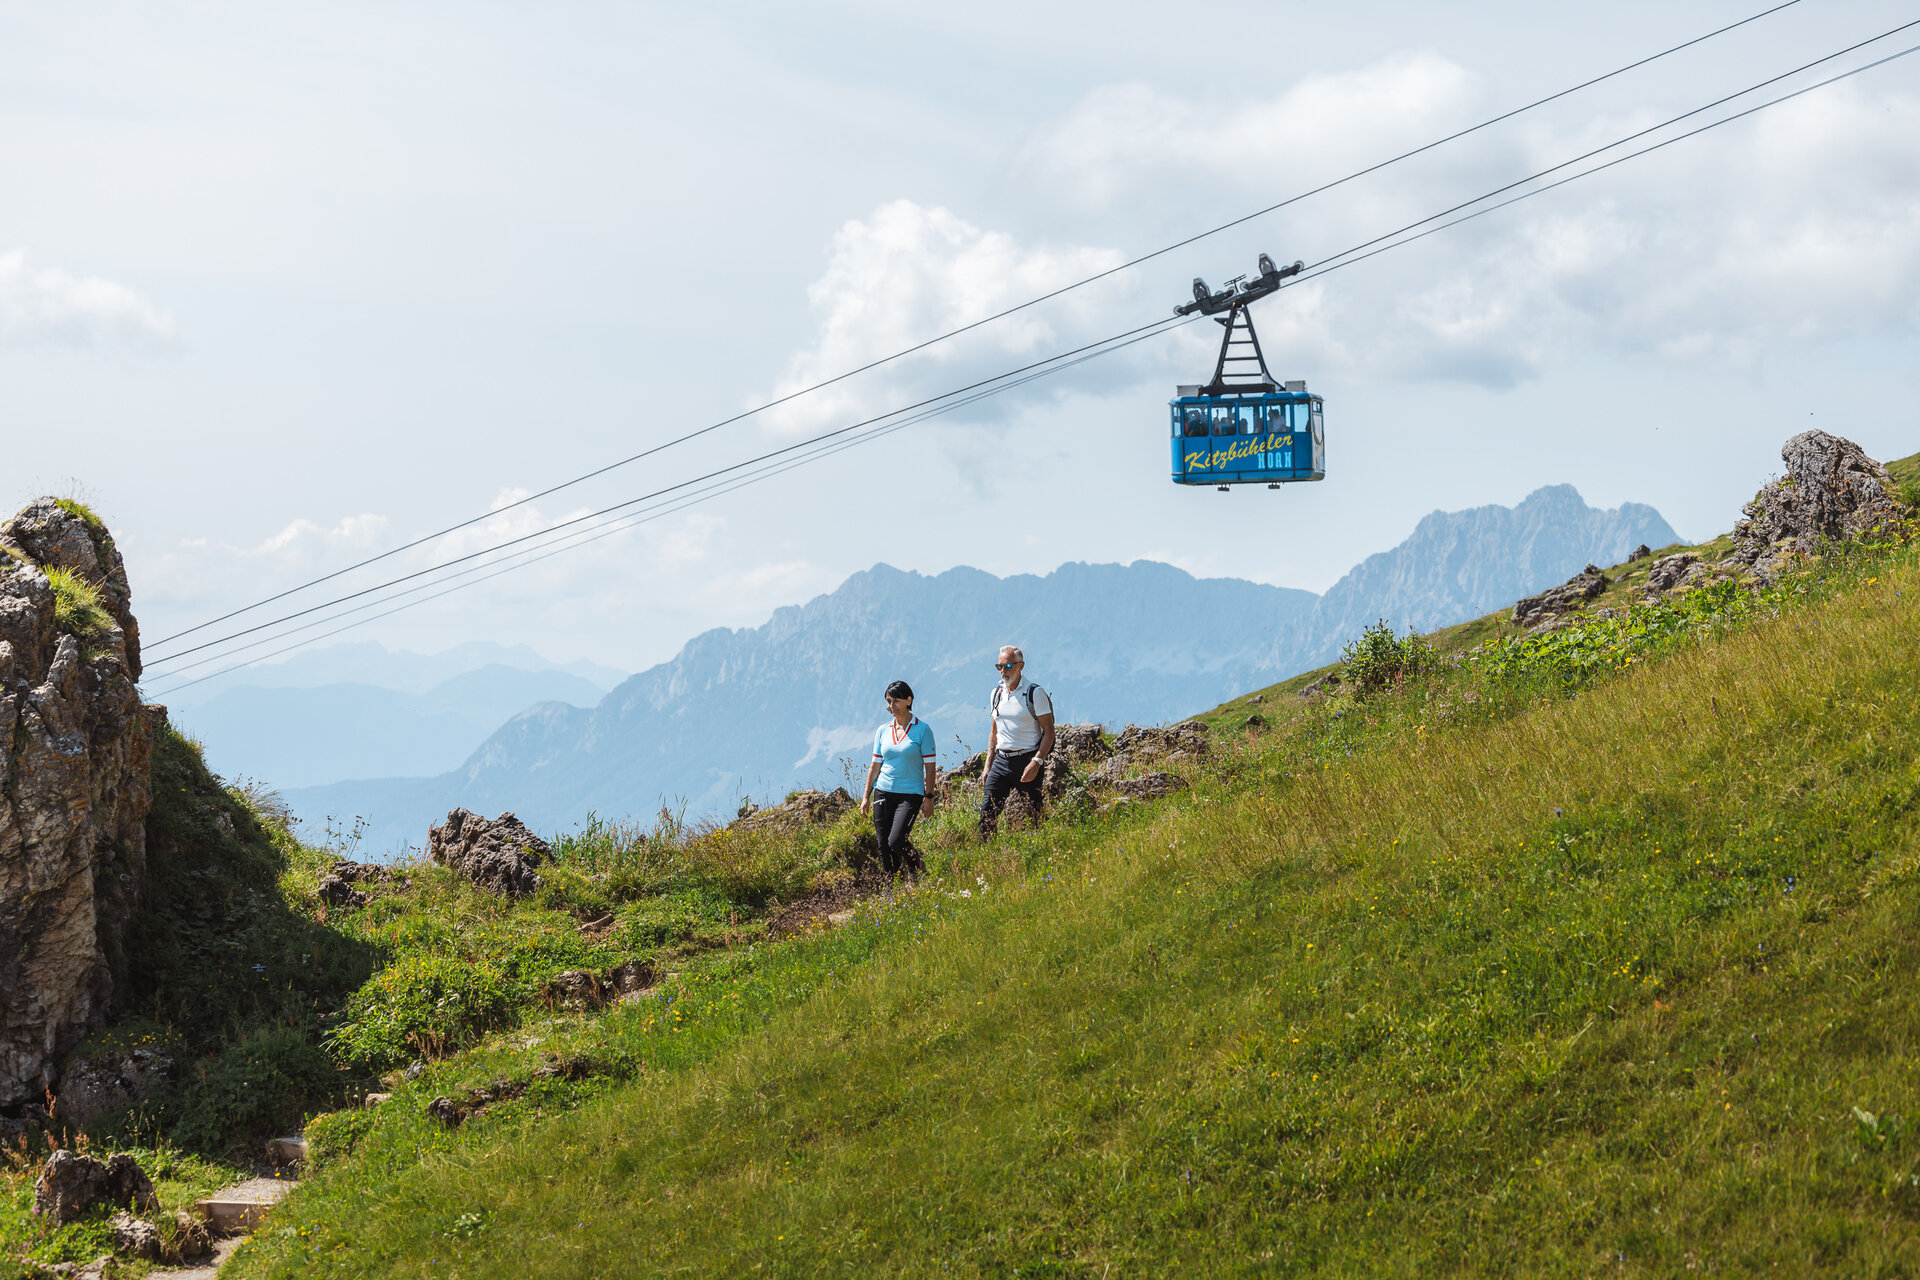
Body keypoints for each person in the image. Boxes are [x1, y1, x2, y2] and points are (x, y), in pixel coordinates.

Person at [859, 679, 937, 879]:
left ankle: (919, 872)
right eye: (888, 701)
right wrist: (866, 797)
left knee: (897, 840)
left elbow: (930, 768)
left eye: (895, 701)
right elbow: (875, 765)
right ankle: (891, 887)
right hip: (883, 790)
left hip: (910, 794)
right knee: (883, 844)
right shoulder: (882, 731)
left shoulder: (923, 730)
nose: (890, 706)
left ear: (908, 700)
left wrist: (929, 798)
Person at [978, 646, 1054, 838]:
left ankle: (1038, 851)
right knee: (987, 814)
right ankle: (986, 857)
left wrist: (1036, 762)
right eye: (999, 666)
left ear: (1021, 666)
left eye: (1008, 666)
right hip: (1001, 761)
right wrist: (988, 766)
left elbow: (1049, 732)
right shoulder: (996, 693)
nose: (1004, 671)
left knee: (1033, 813)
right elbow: (994, 733)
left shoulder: (1034, 693)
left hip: (1027, 760)